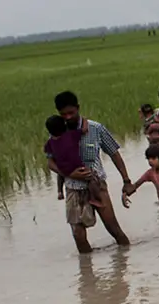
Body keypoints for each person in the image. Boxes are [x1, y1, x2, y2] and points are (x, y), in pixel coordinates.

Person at [47, 91, 133, 254]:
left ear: (78, 108)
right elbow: (50, 161)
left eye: (71, 113)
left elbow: (114, 153)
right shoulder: (57, 130)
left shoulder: (95, 128)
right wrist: (69, 174)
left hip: (97, 185)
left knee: (113, 228)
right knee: (78, 235)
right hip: (73, 187)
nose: (67, 117)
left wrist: (126, 180)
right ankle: (87, 275)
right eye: (63, 114)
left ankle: (124, 265)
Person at [44, 115, 103, 208]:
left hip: (63, 168)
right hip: (76, 166)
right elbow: (84, 130)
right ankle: (94, 198)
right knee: (91, 178)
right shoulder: (70, 135)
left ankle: (59, 191)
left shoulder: (49, 142)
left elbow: (48, 154)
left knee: (60, 175)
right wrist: (84, 120)